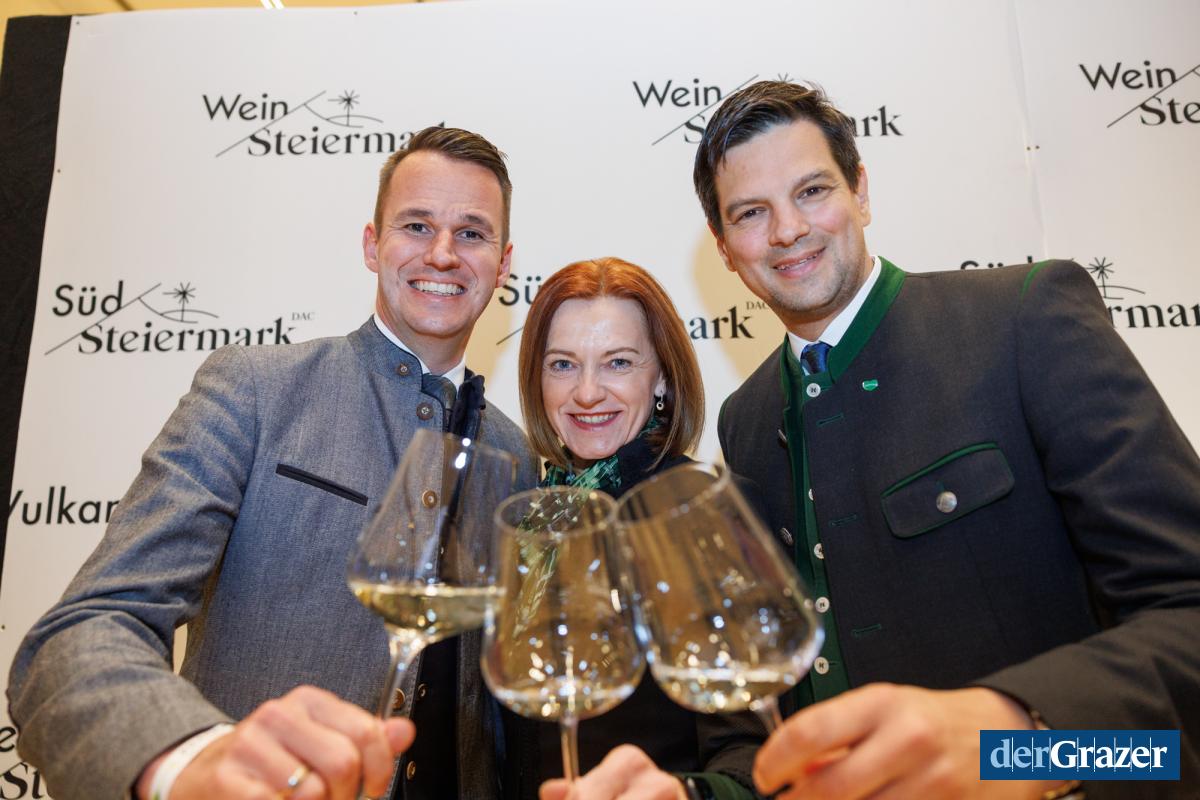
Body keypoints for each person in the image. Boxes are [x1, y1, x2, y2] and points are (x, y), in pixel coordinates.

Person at [693, 81, 1200, 799]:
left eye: (812, 191)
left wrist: (1016, 747)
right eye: (751, 212)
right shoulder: (745, 420)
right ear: (724, 248)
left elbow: (1186, 620)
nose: (787, 230)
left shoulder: (1024, 320)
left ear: (860, 192)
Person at [7, 127, 538, 800]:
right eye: (416, 225)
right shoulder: (257, 388)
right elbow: (79, 635)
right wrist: (188, 763)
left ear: (503, 262)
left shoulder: (516, 456)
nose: (442, 253)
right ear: (372, 245)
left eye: (471, 233)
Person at [510, 257, 766, 800]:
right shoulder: (532, 517)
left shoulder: (703, 510)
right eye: (562, 365)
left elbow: (748, 749)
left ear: (662, 378)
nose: (586, 392)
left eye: (618, 363)